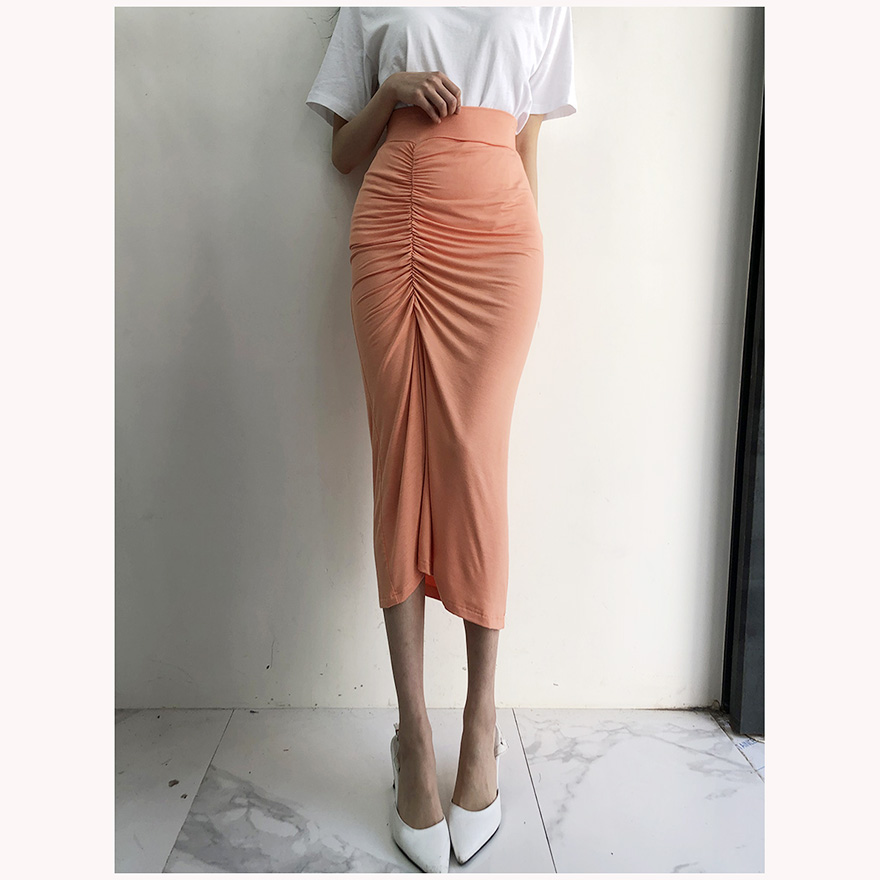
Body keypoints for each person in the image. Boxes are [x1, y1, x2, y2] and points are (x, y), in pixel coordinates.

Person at [306, 6, 576, 872]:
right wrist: (390, 91)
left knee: (476, 469)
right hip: (397, 229)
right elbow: (342, 152)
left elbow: (527, 142)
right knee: (398, 468)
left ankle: (481, 725)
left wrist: (528, 247)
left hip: (498, 240)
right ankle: (414, 736)